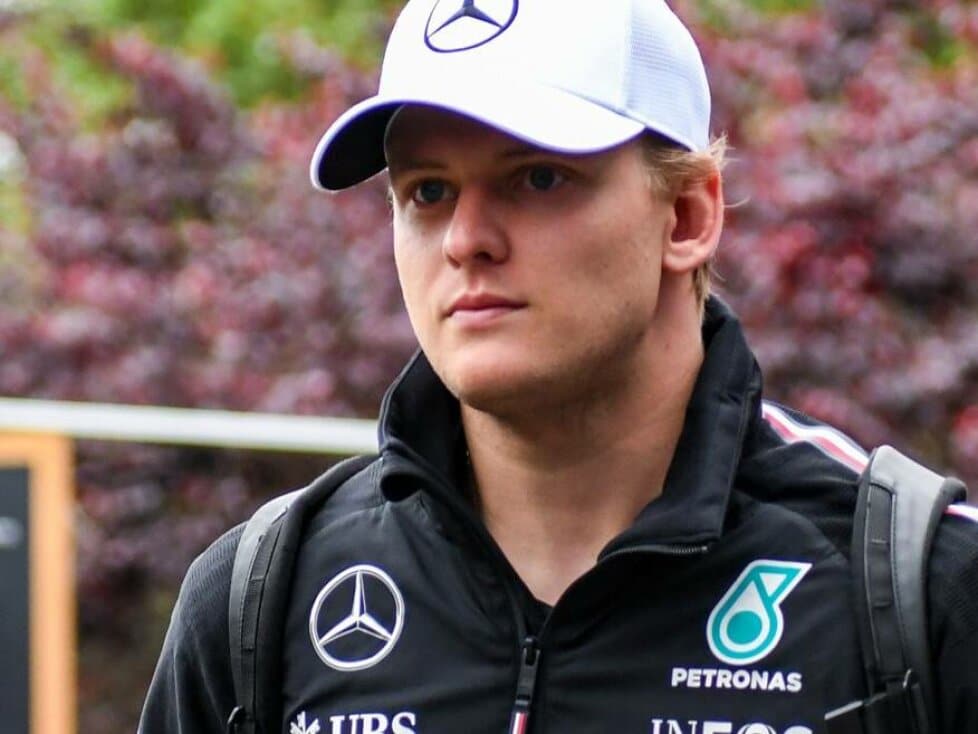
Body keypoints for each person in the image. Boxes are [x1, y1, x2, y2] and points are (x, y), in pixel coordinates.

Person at [139, 1, 978, 733]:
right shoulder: (259, 602)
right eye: (427, 191)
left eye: (537, 178)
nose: (466, 239)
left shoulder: (918, 587)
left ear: (688, 217)